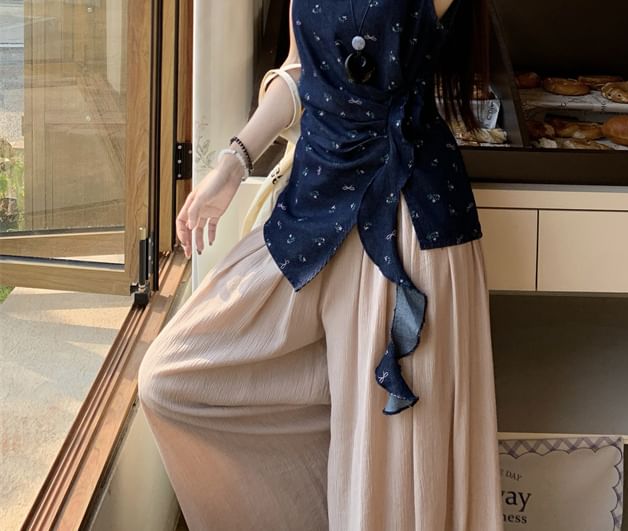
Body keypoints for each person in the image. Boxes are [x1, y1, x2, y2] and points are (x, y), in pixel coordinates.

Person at [136, 0, 504, 529]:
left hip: (404, 225)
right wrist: (233, 162)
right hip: (312, 211)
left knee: (390, 483)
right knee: (171, 379)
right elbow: (298, 71)